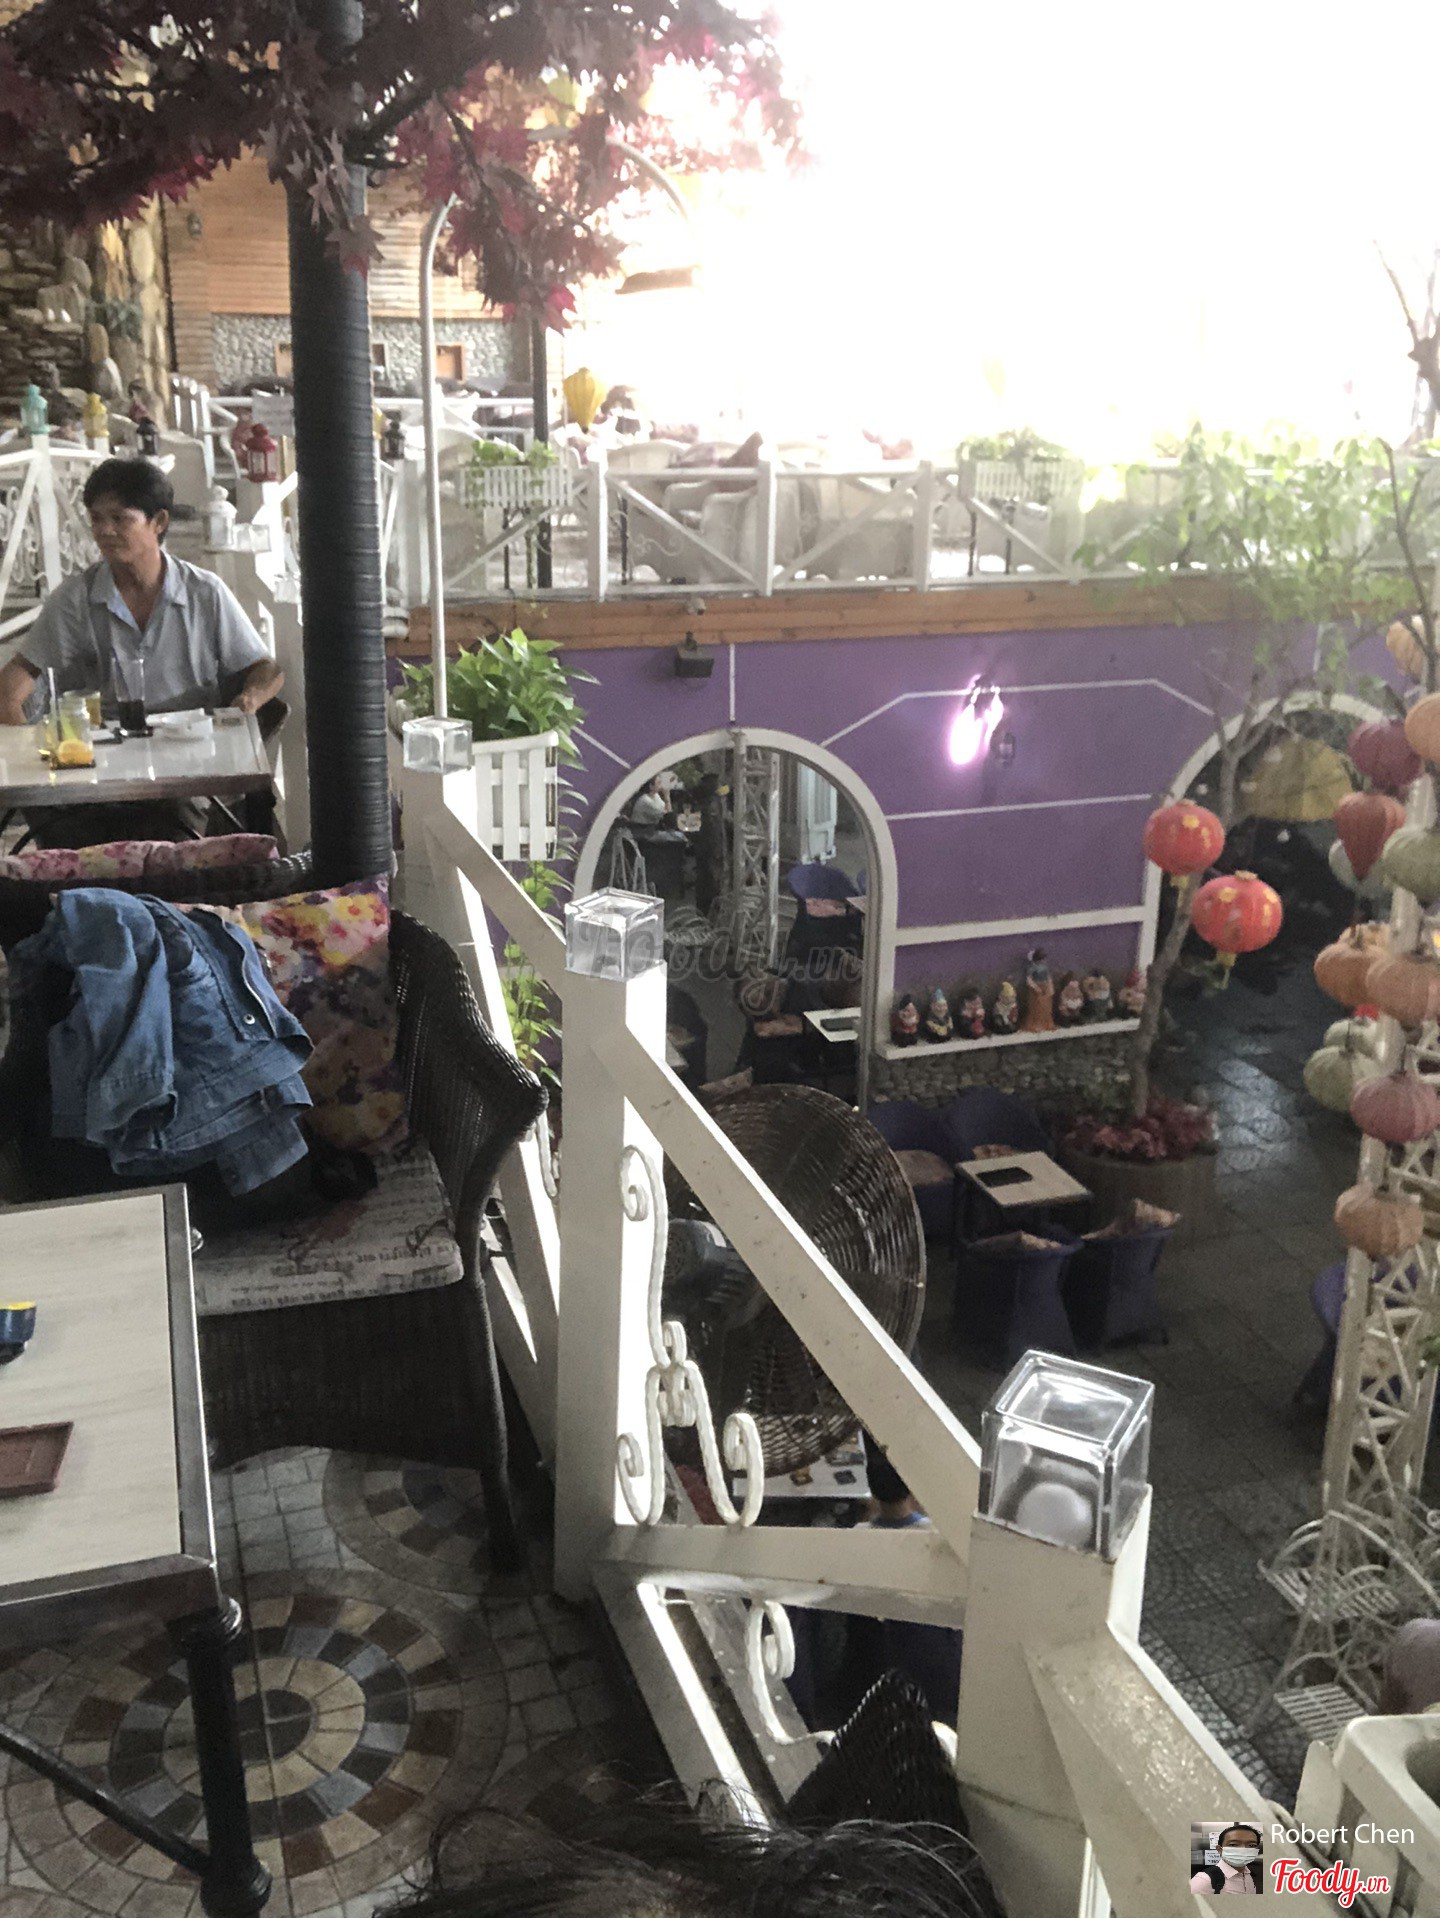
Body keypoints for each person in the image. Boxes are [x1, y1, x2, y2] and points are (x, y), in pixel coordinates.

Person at [0, 456, 284, 843]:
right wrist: (34, 764)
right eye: (97, 519)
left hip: (188, 765)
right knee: (76, 836)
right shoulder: (76, 599)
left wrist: (248, 700)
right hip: (102, 770)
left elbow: (267, 669)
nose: (105, 531)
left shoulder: (204, 593)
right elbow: (9, 689)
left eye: (120, 519)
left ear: (159, 522)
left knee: (173, 827)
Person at [1191, 1823, 1264, 1895]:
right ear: (1219, 1849)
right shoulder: (1203, 1881)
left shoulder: (1251, 1874)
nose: (1243, 1849)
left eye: (1251, 1845)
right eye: (1233, 1844)